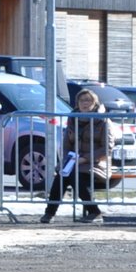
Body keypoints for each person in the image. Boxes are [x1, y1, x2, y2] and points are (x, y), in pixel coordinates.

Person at [42, 86, 113, 223]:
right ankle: (49, 213)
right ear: (77, 103)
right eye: (82, 100)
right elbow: (66, 145)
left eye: (88, 100)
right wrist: (68, 160)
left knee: (76, 177)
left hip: (96, 163)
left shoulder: (103, 121)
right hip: (74, 162)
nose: (85, 103)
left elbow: (107, 149)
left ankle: (94, 212)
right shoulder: (72, 119)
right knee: (61, 177)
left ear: (95, 103)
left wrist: (85, 158)